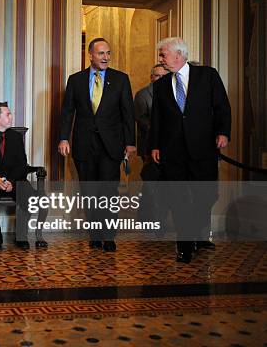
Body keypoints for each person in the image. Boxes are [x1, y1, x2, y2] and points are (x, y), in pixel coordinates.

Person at [150, 37, 231, 263]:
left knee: (205, 196)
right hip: (172, 152)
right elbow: (157, 117)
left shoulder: (208, 75)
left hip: (203, 149)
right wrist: (155, 145)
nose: (160, 59)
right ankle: (184, 245)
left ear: (178, 55)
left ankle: (194, 233)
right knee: (178, 199)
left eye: (163, 54)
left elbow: (222, 106)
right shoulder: (161, 85)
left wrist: (223, 133)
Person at [58, 37, 136, 252]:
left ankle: (109, 236)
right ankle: (94, 234)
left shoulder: (121, 79)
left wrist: (130, 142)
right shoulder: (76, 80)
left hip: (111, 145)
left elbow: (128, 113)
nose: (106, 57)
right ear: (90, 55)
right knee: (89, 191)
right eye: (101, 53)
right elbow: (67, 113)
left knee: (109, 191)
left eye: (108, 53)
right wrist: (64, 138)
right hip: (84, 145)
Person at [0, 102, 47, 250]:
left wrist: (11, 181)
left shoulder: (16, 137)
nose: (11, 116)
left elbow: (21, 165)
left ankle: (21, 236)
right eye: (7, 114)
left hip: (14, 180)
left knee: (28, 194)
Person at [134, 64, 168, 224]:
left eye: (163, 76)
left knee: (162, 184)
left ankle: (157, 219)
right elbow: (141, 120)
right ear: (151, 77)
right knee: (150, 182)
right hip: (148, 146)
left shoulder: (170, 93)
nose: (160, 79)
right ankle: (147, 218)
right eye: (157, 76)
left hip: (167, 146)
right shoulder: (142, 94)